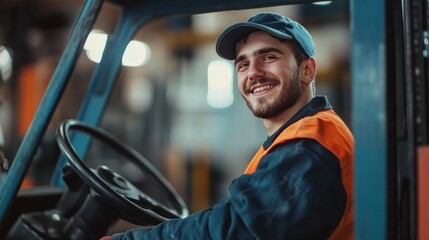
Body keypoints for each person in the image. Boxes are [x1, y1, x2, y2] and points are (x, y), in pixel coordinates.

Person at [102, 12, 354, 240]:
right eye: (243, 64)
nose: (253, 73)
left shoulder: (309, 147)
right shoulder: (303, 135)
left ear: (307, 70)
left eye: (268, 57)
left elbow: (237, 228)